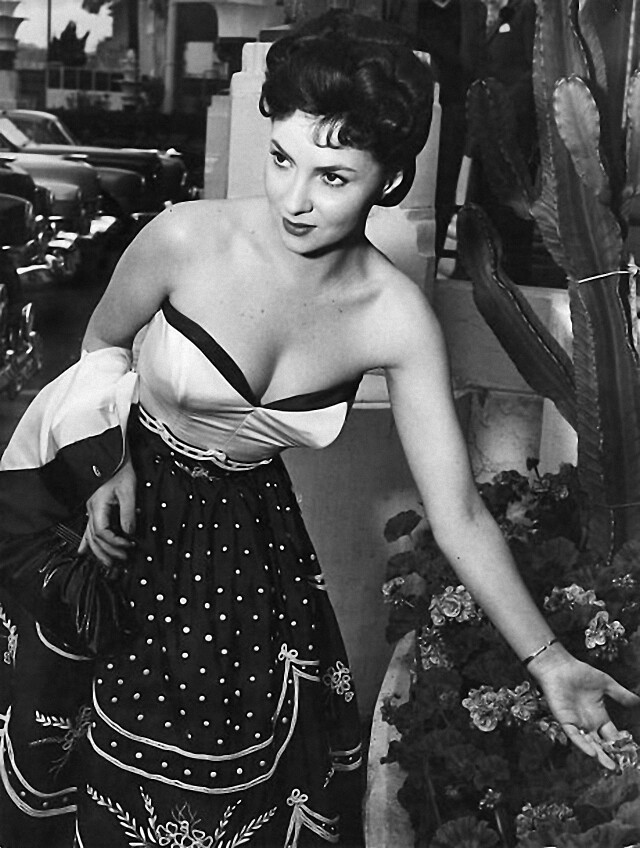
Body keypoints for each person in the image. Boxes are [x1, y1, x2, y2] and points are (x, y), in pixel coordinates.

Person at [0, 10, 638, 848]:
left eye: (333, 176)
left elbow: (458, 515)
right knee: (82, 763)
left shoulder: (395, 318)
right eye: (281, 159)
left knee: (226, 792)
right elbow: (101, 345)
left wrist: (549, 660)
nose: (295, 200)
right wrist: (104, 461)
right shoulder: (184, 238)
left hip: (246, 550)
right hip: (120, 518)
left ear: (389, 178)